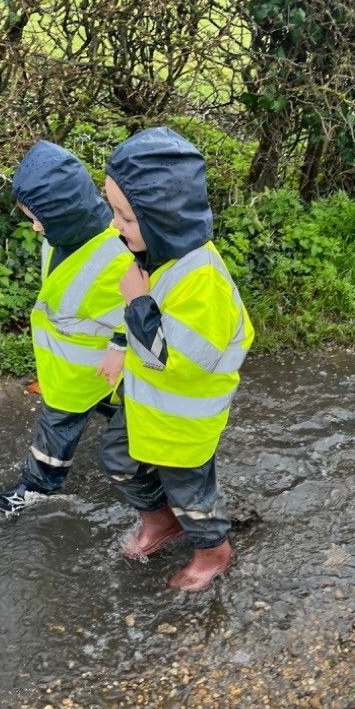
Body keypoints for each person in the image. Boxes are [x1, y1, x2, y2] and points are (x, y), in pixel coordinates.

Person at [99, 127, 254, 591]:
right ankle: (161, 522)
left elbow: (176, 359)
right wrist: (123, 342)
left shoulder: (202, 279)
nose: (113, 227)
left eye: (125, 217)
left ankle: (212, 551)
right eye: (114, 212)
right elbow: (146, 339)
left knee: (192, 492)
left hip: (184, 421)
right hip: (150, 406)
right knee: (117, 457)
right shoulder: (158, 255)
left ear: (162, 217)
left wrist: (137, 304)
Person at [0, 141, 134, 513]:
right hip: (77, 371)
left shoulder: (118, 254)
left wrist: (119, 347)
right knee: (110, 417)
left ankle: (36, 488)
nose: (35, 227)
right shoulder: (61, 237)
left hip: (98, 370)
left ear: (65, 212)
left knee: (62, 427)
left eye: (38, 217)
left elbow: (141, 308)